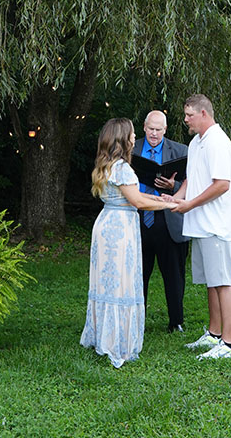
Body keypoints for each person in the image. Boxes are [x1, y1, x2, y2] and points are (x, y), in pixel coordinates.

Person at [80, 117, 178, 368]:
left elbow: (134, 195)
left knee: (107, 282)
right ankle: (117, 342)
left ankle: (104, 335)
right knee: (120, 283)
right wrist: (169, 204)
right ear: (124, 138)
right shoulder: (122, 167)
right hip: (120, 230)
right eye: (133, 134)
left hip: (106, 224)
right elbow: (138, 202)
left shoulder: (106, 164)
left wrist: (165, 199)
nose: (135, 138)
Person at [172, 93, 231, 360]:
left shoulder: (218, 143)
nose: (185, 119)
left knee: (223, 282)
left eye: (189, 114)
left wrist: (190, 205)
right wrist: (175, 199)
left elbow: (222, 184)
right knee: (211, 283)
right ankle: (213, 334)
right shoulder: (196, 142)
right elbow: (192, 179)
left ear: (203, 114)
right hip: (201, 225)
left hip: (217, 226)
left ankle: (229, 344)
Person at [132, 110, 189, 333]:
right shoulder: (131, 148)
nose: (154, 134)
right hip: (138, 219)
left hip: (168, 219)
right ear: (144, 127)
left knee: (174, 273)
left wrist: (172, 187)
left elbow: (191, 183)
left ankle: (176, 321)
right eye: (151, 129)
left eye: (159, 129)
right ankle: (137, 318)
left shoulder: (180, 151)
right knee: (137, 272)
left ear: (165, 130)